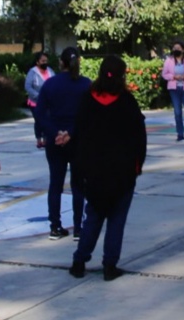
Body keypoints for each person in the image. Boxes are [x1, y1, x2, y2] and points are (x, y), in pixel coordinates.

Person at [63, 55, 147, 281]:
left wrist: (79, 172)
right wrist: (137, 165)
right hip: (122, 172)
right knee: (116, 221)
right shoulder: (127, 102)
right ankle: (110, 266)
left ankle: (79, 262)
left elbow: (78, 137)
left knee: (93, 218)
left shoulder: (87, 100)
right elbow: (139, 137)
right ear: (122, 75)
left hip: (94, 172)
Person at [35, 46, 90, 239]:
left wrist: (54, 133)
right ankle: (78, 227)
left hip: (55, 141)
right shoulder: (85, 84)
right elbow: (88, 115)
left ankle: (55, 227)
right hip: (78, 140)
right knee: (78, 185)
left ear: (61, 62)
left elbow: (40, 114)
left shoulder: (50, 84)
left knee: (56, 184)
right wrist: (71, 133)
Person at [25, 50, 54, 115]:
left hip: (49, 103)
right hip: (36, 103)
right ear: (37, 62)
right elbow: (28, 86)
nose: (45, 63)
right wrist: (38, 96)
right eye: (43, 61)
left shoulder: (50, 71)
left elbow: (55, 82)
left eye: (46, 61)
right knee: (40, 122)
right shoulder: (32, 72)